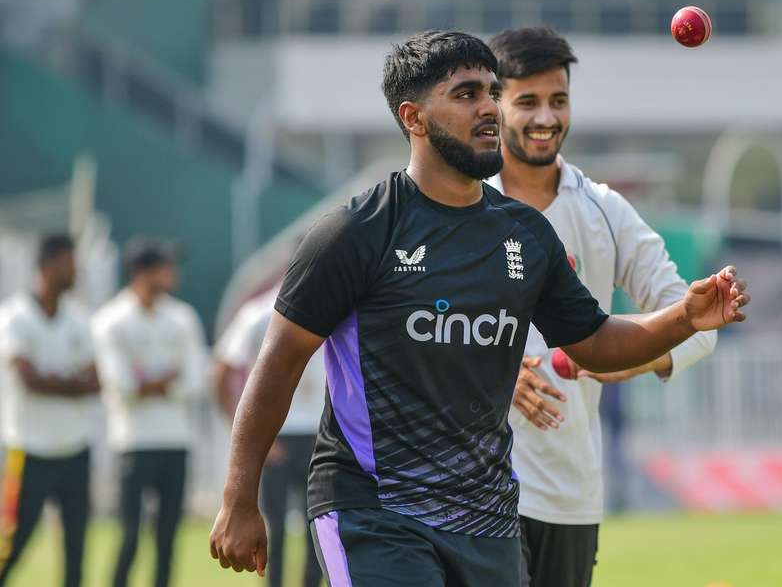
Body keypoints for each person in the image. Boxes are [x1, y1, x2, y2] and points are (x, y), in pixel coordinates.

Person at [209, 30, 749, 587]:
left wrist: (683, 317)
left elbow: (596, 341)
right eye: (467, 94)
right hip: (374, 509)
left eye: (493, 92)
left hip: (487, 519)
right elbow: (277, 361)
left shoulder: (525, 234)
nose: (490, 107)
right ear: (414, 118)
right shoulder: (355, 233)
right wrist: (238, 498)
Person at [486, 26, 723, 586]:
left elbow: (697, 325)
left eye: (558, 100)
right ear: (495, 104)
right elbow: (406, 325)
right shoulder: (461, 204)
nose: (546, 117)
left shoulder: (605, 210)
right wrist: (491, 369)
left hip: (572, 494)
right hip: (477, 490)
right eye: (527, 102)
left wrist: (620, 360)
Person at [93, 239, 208, 587]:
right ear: (143, 273)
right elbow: (122, 387)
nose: (173, 273)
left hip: (176, 442)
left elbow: (195, 381)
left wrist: (149, 381)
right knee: (130, 537)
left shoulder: (183, 317)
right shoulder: (111, 320)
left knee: (168, 540)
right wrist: (166, 378)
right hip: (133, 442)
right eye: (165, 267)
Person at [0, 234, 99, 587]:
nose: (76, 271)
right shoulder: (15, 316)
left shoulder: (79, 319)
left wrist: (53, 380)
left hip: (75, 450)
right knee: (12, 544)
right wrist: (71, 384)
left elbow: (96, 381)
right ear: (49, 265)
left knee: (76, 551)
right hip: (29, 450)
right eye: (70, 263)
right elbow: (28, 380)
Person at [212, 288, 325, 587]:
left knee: (320, 525)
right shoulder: (259, 312)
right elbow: (222, 372)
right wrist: (249, 435)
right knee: (274, 525)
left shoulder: (334, 304)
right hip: (277, 434)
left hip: (318, 433)